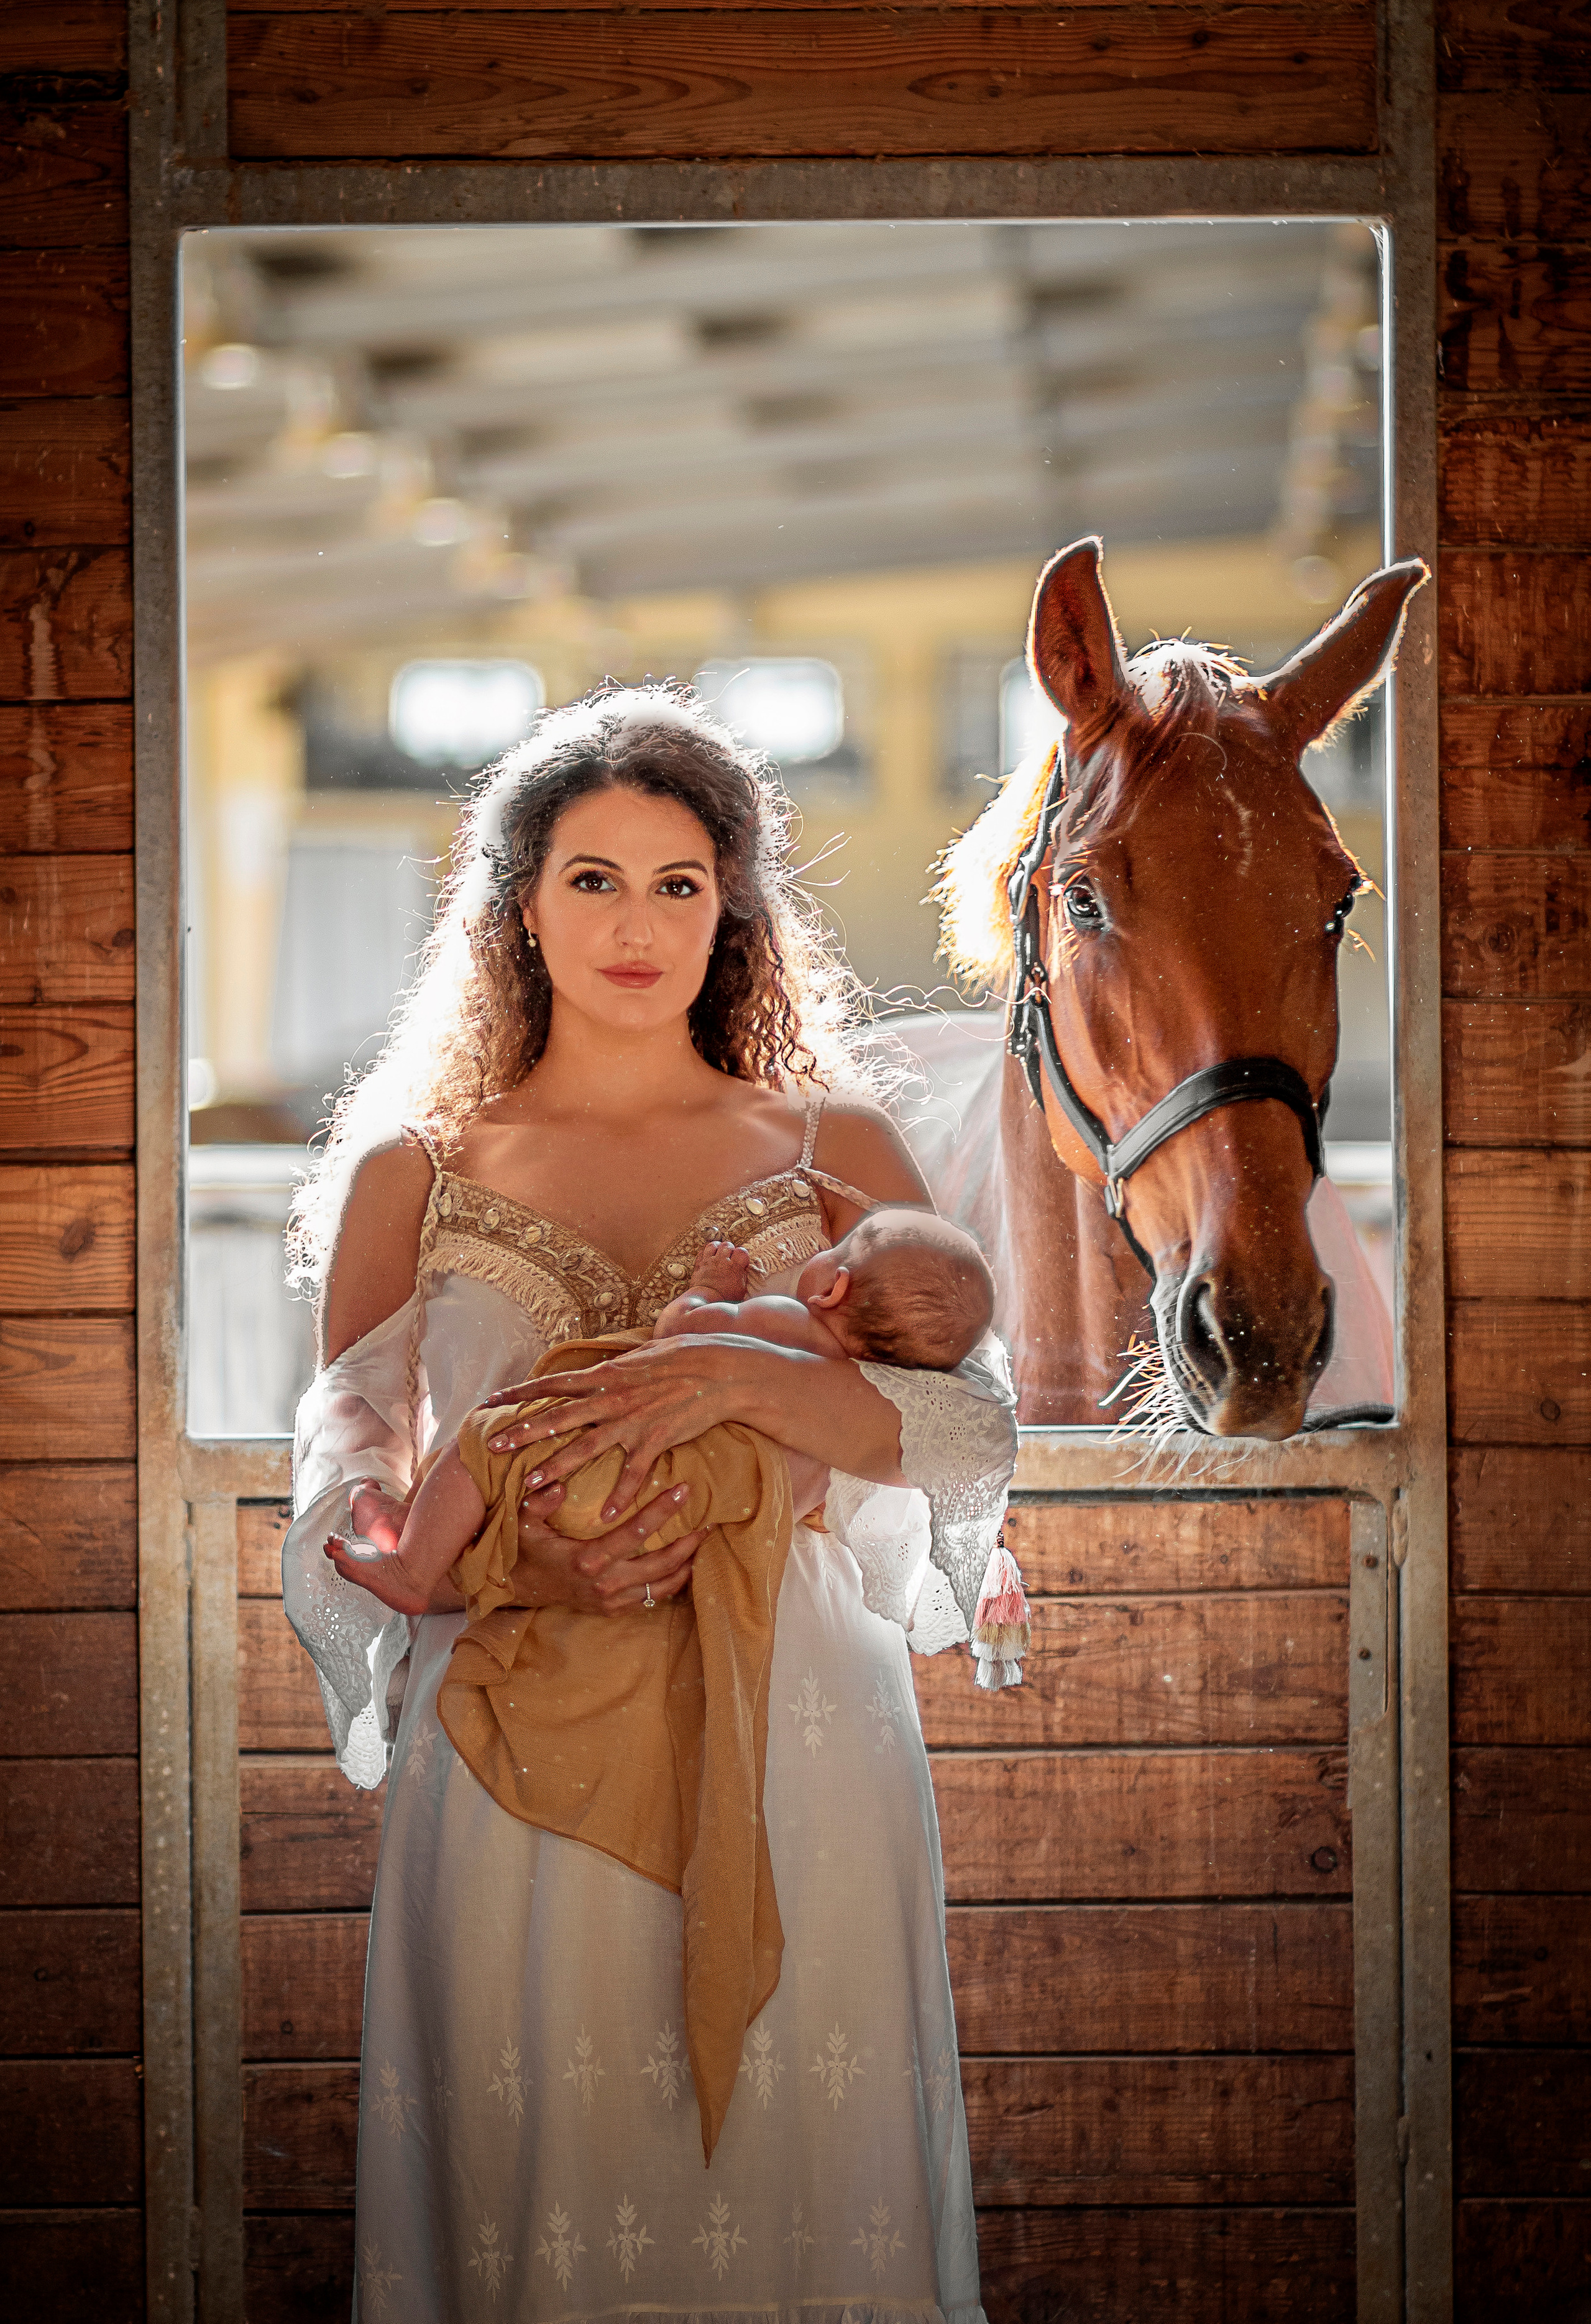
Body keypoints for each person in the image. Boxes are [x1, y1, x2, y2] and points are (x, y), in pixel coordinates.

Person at [280, 684, 1017, 2323]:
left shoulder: (835, 1141)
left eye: (678, 882)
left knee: (793, 2183)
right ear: (519, 906)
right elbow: (350, 1476)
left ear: (730, 906)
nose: (635, 923)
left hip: (800, 1733)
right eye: (593, 878)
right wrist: (520, 1563)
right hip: (510, 1742)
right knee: (547, 2176)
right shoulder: (416, 1168)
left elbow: (965, 1425)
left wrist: (735, 1388)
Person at [321, 1209, 997, 1616]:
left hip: (612, 1471)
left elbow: (685, 1331)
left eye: (835, 1249)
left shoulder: (785, 1317)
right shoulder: (859, 1365)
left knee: (483, 1441)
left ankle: (415, 1561)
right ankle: (447, 1561)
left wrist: (710, 1292)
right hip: (698, 1526)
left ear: (832, 1286)